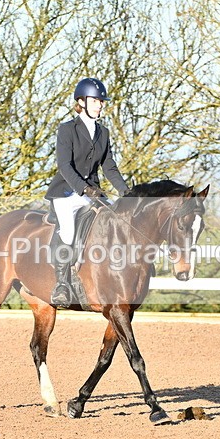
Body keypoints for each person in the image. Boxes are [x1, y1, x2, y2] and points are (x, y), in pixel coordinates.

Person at [44, 77, 131, 307]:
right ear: (81, 101)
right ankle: (61, 284)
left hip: (93, 192)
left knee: (115, 220)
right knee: (69, 231)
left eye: (101, 102)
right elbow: (65, 165)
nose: (100, 105)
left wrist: (126, 193)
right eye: (95, 101)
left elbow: (109, 166)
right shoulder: (67, 129)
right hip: (66, 193)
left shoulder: (103, 132)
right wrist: (83, 188)